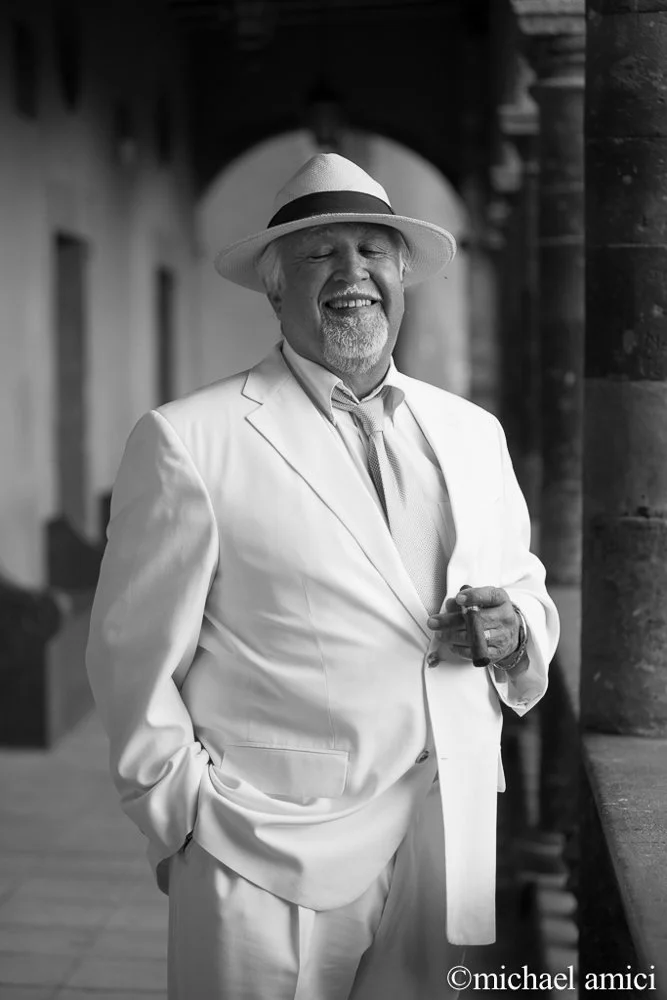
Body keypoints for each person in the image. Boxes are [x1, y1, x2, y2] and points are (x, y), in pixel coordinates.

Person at [86, 153, 560, 1000]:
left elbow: (523, 580)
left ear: (403, 273)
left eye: (374, 251)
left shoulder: (471, 433)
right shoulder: (189, 440)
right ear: (274, 288)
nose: (353, 275)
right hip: (264, 851)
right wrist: (183, 825)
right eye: (320, 253)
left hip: (444, 838)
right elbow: (130, 661)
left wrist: (514, 627)